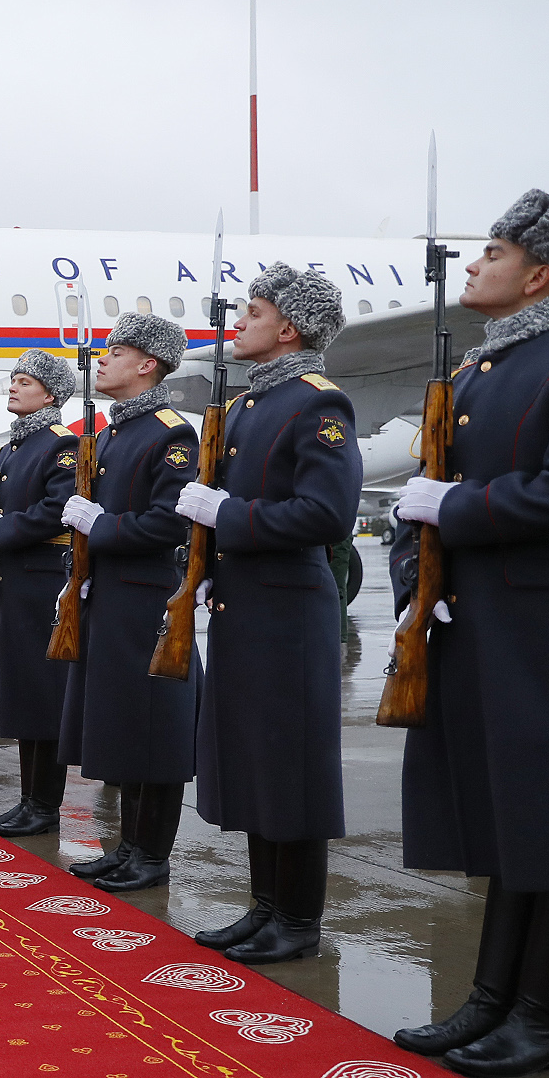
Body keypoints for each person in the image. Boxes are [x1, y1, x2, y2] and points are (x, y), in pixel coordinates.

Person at [388, 191, 549, 1075]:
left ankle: (544, 1017)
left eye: (493, 250)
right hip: (483, 617)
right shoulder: (488, 370)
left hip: (546, 625)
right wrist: (422, 576)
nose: (475, 262)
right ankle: (492, 998)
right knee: (508, 818)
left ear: (540, 272)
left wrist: (458, 505)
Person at [179, 262, 360, 965]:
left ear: (287, 327)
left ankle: (300, 919)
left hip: (290, 610)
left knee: (294, 767)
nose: (240, 321)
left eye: (253, 311)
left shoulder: (318, 404)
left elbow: (325, 513)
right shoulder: (253, 405)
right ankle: (263, 906)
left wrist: (227, 514)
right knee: (257, 761)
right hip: (247, 604)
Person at [57, 313, 200, 892]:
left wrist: (103, 526)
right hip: (110, 596)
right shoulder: (115, 430)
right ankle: (129, 846)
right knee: (121, 724)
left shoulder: (170, 431)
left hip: (145, 600)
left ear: (148, 364)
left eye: (116, 351)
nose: (102, 359)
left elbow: (169, 522)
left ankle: (152, 854)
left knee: (153, 728)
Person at [0, 350, 80, 837]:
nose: (12, 387)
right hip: (13, 582)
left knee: (42, 695)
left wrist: (3, 527)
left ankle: (44, 804)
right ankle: (29, 797)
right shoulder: (12, 449)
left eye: (25, 382)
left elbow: (59, 508)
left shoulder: (61, 444)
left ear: (51, 394)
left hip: (42, 581)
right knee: (21, 695)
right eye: (12, 380)